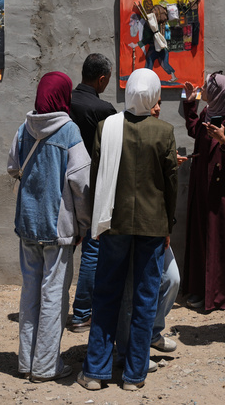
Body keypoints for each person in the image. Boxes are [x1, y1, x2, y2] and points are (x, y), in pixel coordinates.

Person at [79, 68, 178, 391]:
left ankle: (95, 370)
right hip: (152, 225)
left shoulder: (106, 127)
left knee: (107, 295)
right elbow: (171, 184)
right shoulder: (163, 131)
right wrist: (169, 223)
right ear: (152, 95)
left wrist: (95, 219)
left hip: (113, 222)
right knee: (145, 298)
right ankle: (135, 375)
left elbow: (96, 178)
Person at [7, 72, 91, 382]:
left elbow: (12, 167)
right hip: (58, 229)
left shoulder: (24, 128)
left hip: (28, 224)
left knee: (30, 293)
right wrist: (83, 224)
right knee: (54, 294)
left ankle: (26, 362)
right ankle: (45, 367)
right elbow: (81, 182)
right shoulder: (69, 131)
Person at [180, 73, 225, 312]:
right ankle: (200, 289)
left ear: (220, 93)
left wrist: (223, 141)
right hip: (202, 186)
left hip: (222, 191)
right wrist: (191, 102)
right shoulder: (209, 113)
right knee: (201, 237)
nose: (204, 88)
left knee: (219, 240)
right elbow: (194, 131)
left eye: (208, 86)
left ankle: (221, 294)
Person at [68, 54, 116, 332]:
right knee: (93, 248)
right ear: (101, 78)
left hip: (63, 185)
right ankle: (82, 313)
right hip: (93, 186)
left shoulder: (65, 102)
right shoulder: (103, 110)